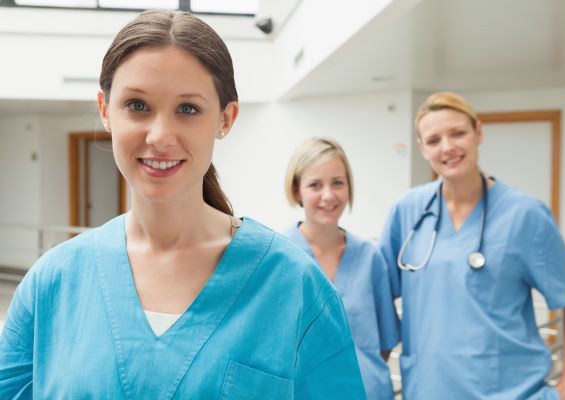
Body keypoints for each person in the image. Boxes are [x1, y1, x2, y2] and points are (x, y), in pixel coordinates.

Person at [0, 10, 366, 399]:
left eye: (188, 109)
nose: (160, 135)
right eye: (137, 105)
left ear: (226, 119)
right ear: (106, 110)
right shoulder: (53, 284)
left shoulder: (294, 286)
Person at [379, 91, 565, 399]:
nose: (447, 147)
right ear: (423, 148)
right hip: (429, 389)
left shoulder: (524, 214)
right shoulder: (407, 211)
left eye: (458, 133)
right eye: (434, 140)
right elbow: (379, 297)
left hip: (511, 391)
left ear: (478, 132)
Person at [283, 138, 401, 400]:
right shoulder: (280, 258)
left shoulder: (369, 258)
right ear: (297, 191)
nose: (328, 195)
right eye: (315, 184)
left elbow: (384, 343)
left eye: (338, 182)